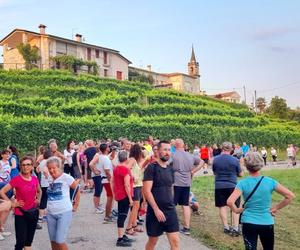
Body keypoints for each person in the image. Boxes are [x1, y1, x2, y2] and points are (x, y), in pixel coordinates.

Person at [227, 152, 295, 250]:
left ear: (246, 166)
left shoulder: (242, 183)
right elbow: (290, 196)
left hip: (248, 221)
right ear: (261, 164)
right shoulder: (270, 181)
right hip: (266, 221)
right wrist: (275, 208)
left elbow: (229, 201)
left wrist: (237, 210)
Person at [143, 141, 180, 250]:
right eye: (164, 150)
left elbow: (171, 187)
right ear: (158, 151)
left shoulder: (170, 169)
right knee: (152, 242)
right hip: (155, 212)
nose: (167, 152)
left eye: (169, 150)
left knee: (175, 243)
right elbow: (146, 191)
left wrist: (172, 203)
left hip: (170, 210)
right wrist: (156, 209)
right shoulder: (151, 168)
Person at [0, 155, 41, 249]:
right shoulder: (17, 179)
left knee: (28, 243)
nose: (26, 167)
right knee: (20, 242)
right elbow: (1, 192)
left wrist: (38, 199)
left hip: (33, 213)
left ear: (32, 166)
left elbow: (39, 190)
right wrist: (12, 204)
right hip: (20, 214)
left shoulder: (34, 179)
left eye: (28, 164)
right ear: (20, 166)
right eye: (23, 165)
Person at [46, 156, 79, 250]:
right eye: (49, 168)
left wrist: (76, 205)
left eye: (54, 168)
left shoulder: (66, 177)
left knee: (60, 240)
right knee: (53, 240)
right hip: (50, 213)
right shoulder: (49, 178)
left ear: (59, 167)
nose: (51, 170)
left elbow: (77, 189)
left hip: (64, 212)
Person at [212, 142, 243, 236]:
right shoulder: (235, 160)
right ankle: (235, 228)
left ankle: (226, 227)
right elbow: (241, 174)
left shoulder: (215, 159)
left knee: (222, 206)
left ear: (222, 148)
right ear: (231, 149)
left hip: (219, 185)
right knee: (235, 206)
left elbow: (214, 172)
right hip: (232, 185)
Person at [172, 138, 202, 235]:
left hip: (175, 182)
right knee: (185, 205)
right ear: (183, 145)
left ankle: (171, 225)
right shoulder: (190, 155)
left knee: (172, 205)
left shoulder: (173, 155)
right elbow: (202, 162)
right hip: (187, 182)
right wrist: (193, 171)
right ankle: (186, 227)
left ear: (175, 145)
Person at [111, 151, 134, 247]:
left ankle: (122, 235)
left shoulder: (116, 168)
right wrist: (130, 199)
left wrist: (114, 193)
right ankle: (120, 239)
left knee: (122, 215)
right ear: (126, 159)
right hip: (125, 195)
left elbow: (112, 181)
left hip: (119, 194)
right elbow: (127, 185)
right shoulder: (125, 170)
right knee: (122, 216)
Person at [126, 143, 145, 235]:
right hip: (134, 186)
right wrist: (132, 177)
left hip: (137, 185)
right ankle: (129, 227)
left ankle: (134, 225)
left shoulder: (135, 160)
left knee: (136, 207)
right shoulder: (132, 159)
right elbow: (126, 169)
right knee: (135, 207)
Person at [0, 149, 13, 240]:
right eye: (6, 154)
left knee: (8, 208)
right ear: (2, 155)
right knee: (2, 208)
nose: (8, 155)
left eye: (9, 154)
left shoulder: (8, 163)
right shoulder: (0, 163)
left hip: (8, 187)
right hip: (1, 186)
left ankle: (2, 229)